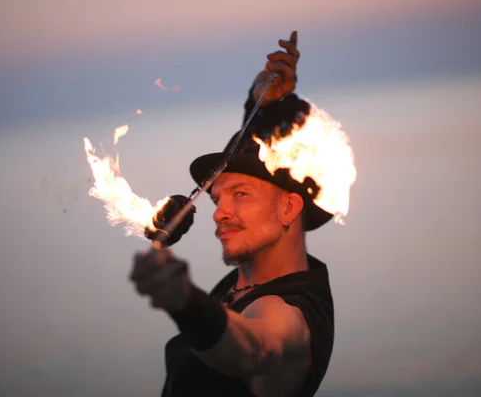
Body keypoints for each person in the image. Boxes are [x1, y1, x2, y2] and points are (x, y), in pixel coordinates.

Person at [130, 31, 335, 397]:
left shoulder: (290, 310)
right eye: (217, 199)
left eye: (240, 195)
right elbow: (251, 164)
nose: (219, 213)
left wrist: (186, 302)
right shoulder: (245, 280)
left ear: (289, 207)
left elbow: (255, 349)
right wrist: (260, 102)